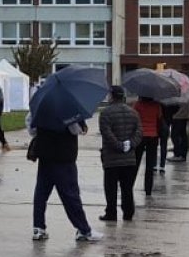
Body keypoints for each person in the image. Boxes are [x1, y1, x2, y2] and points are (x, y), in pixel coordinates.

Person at [31, 118, 102, 242]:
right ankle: (84, 230)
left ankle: (38, 227)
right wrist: (81, 124)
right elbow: (75, 130)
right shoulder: (68, 111)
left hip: (45, 156)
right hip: (64, 157)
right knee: (70, 195)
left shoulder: (41, 109)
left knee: (41, 194)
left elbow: (31, 129)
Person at [98, 85, 142, 221]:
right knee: (127, 188)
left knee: (110, 187)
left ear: (112, 96)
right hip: (129, 158)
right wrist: (130, 144)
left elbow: (107, 134)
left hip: (111, 158)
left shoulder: (105, 113)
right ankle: (128, 212)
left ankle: (111, 212)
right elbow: (139, 132)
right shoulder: (133, 113)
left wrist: (118, 145)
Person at [132, 96, 162, 196]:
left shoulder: (137, 105)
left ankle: (130, 185)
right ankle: (148, 189)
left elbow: (133, 119)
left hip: (140, 136)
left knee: (135, 163)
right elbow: (159, 120)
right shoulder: (156, 105)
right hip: (153, 136)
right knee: (150, 165)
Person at [158, 102, 177, 173]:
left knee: (153, 145)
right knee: (164, 144)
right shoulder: (171, 101)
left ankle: (153, 164)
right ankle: (162, 165)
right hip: (166, 123)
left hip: (157, 123)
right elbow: (176, 108)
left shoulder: (157, 101)